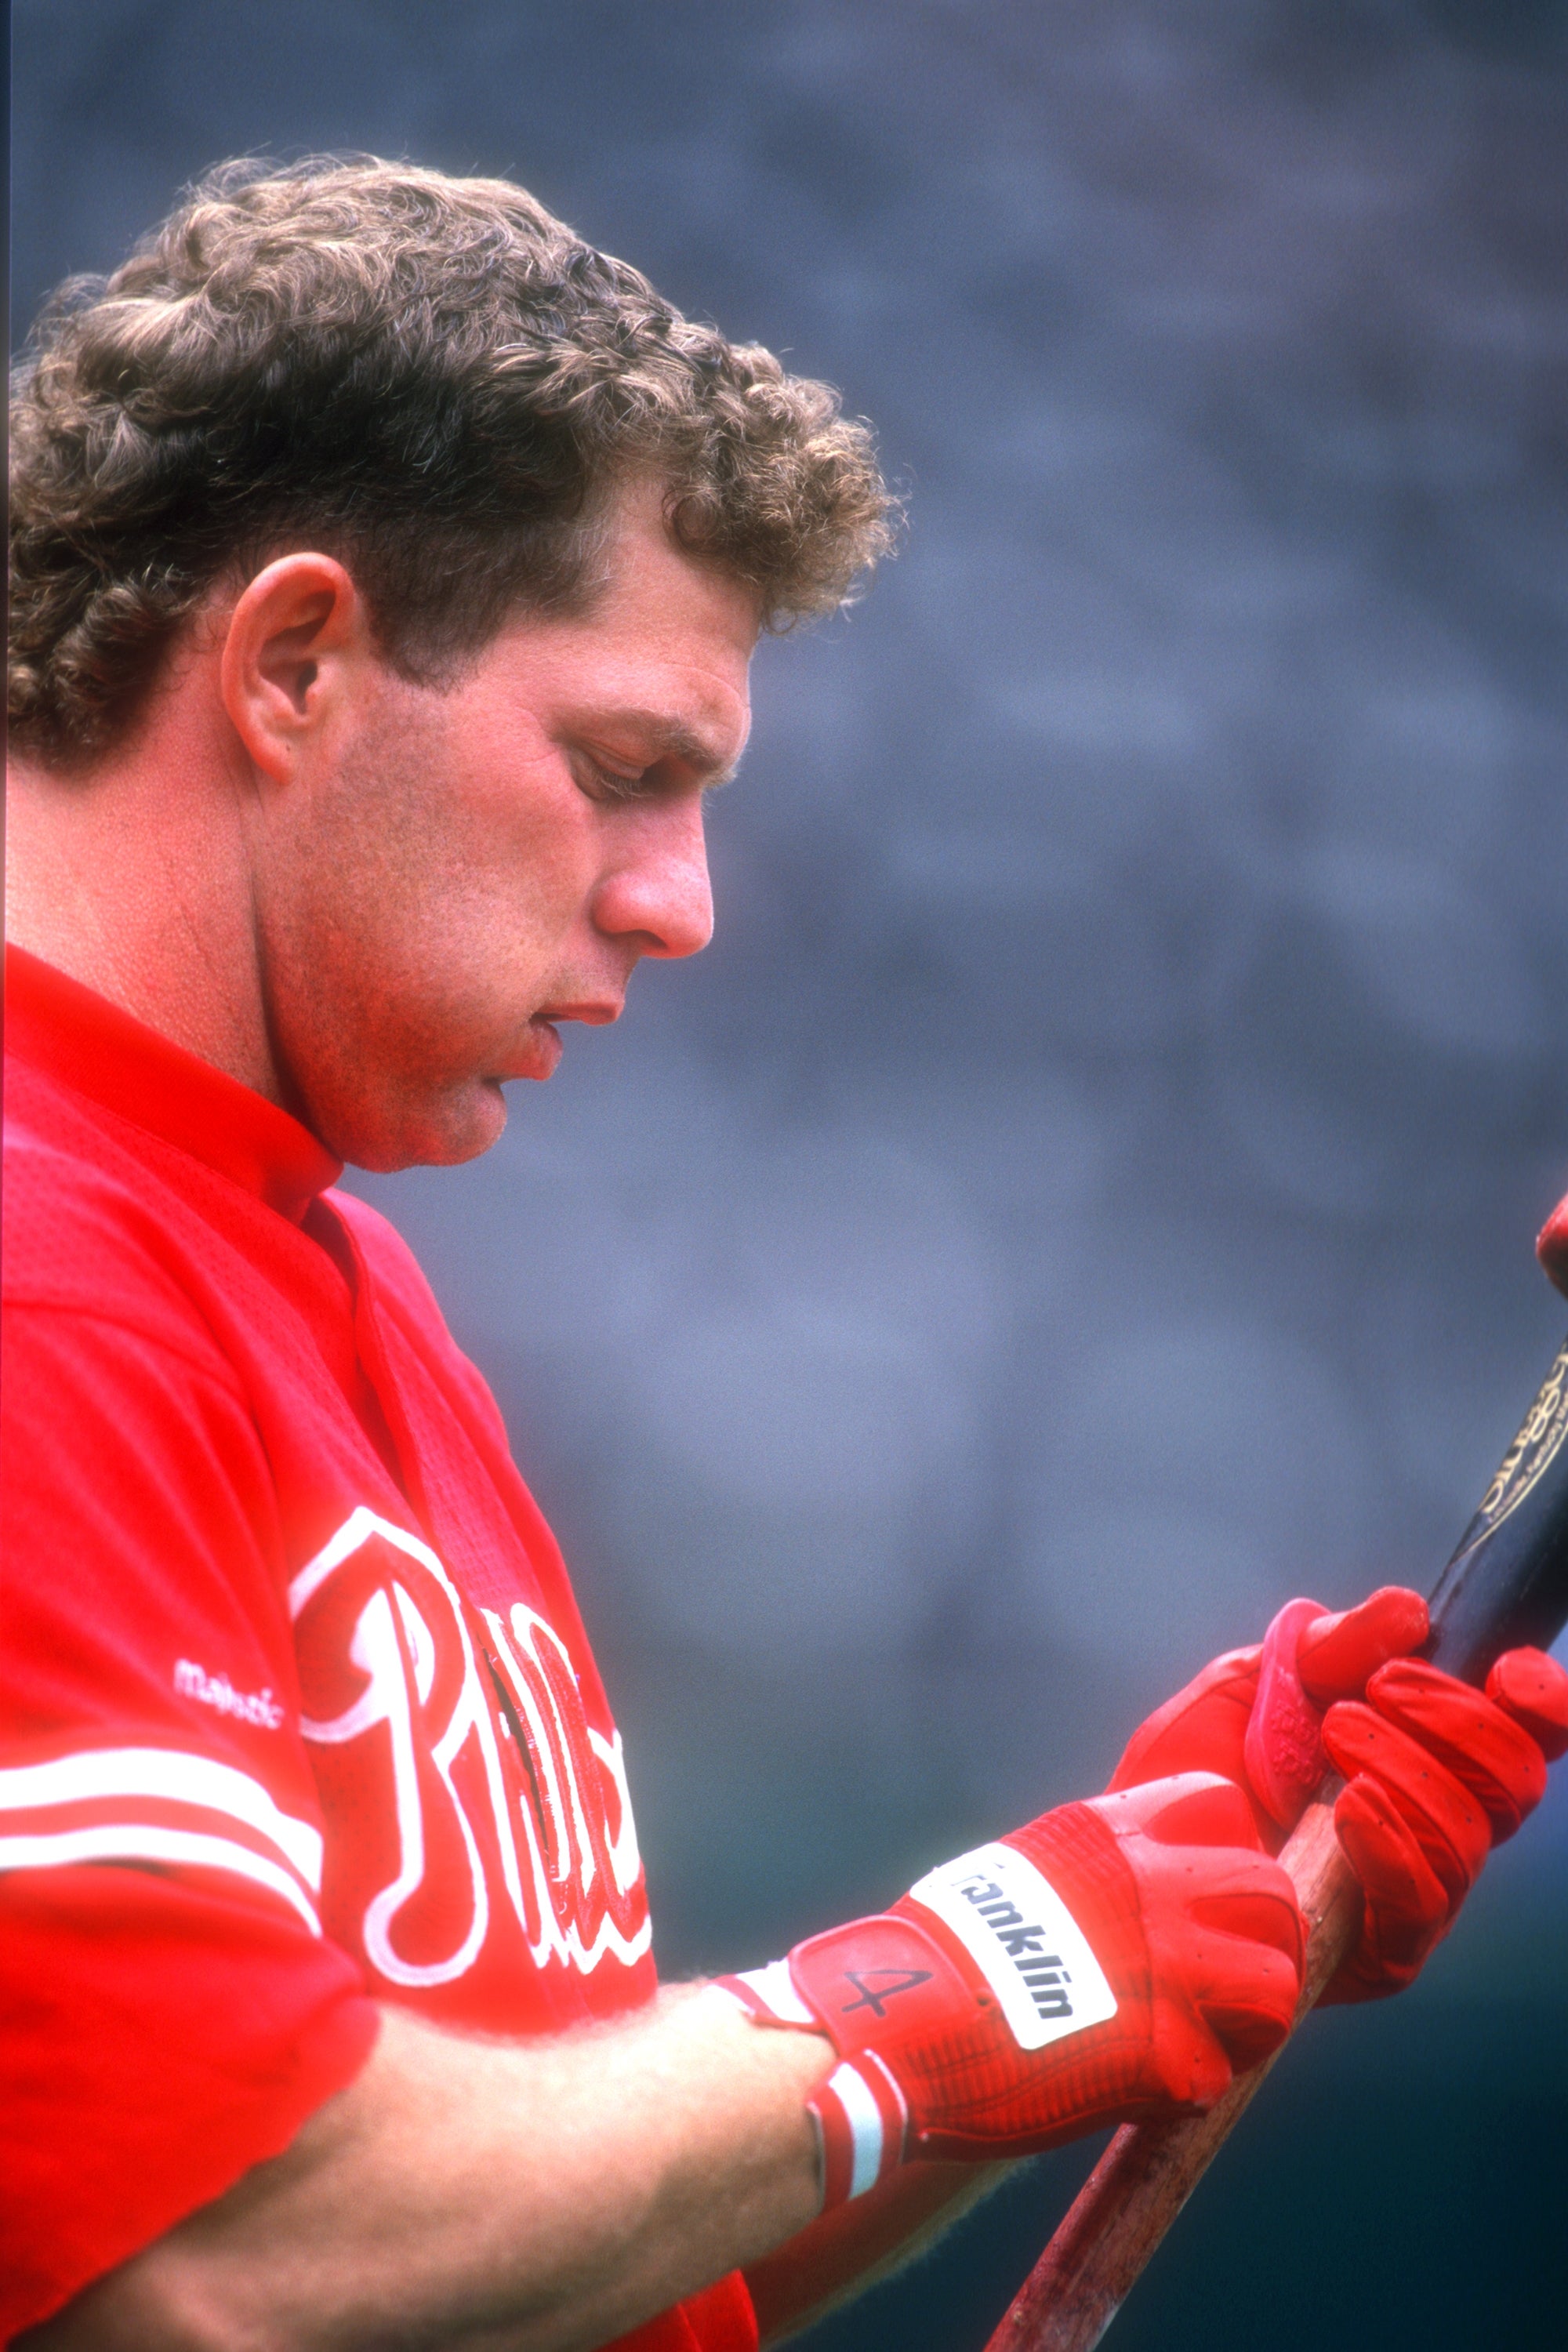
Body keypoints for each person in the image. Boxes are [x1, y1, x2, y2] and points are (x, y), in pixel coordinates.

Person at [4, 158, 1566, 2352]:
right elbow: (211, 2259)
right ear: (292, 661)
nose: (682, 901)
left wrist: (1139, 1907)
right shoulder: (41, 1285)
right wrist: (947, 1992)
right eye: (624, 768)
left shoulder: (329, 1285)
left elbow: (559, 2279)